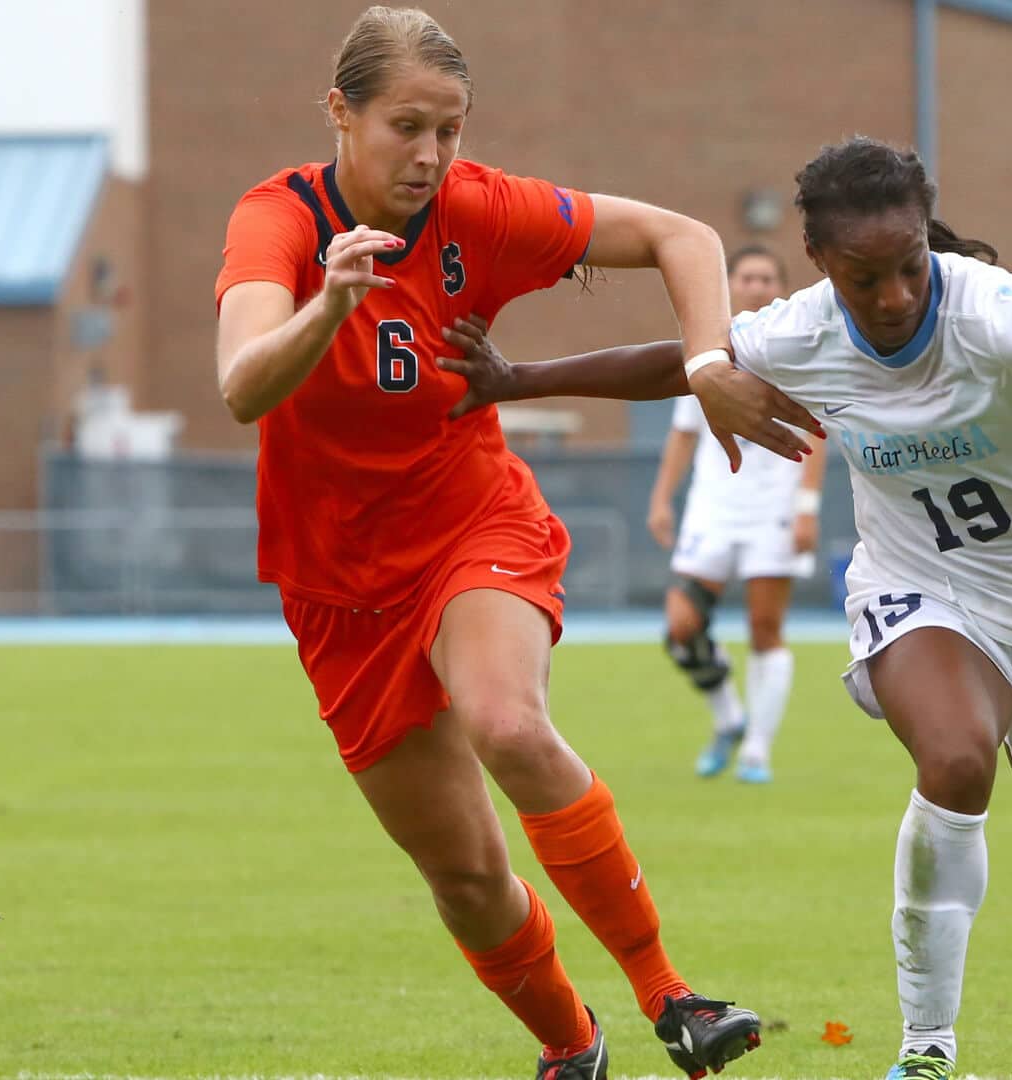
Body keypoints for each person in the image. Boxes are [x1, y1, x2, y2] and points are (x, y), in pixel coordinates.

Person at [437, 136, 1012, 1080]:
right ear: (821, 262)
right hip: (927, 594)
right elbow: (676, 362)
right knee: (953, 759)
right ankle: (927, 1053)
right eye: (866, 279)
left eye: (908, 268)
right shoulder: (801, 329)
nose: (895, 297)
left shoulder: (1005, 314)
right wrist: (518, 379)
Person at [211, 8, 816, 1079]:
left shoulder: (480, 207)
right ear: (340, 114)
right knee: (465, 875)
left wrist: (712, 358)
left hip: (469, 522)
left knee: (509, 723)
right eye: (408, 126)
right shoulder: (279, 220)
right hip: (336, 586)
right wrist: (329, 302)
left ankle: (671, 994)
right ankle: (571, 1046)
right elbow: (241, 386)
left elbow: (686, 236)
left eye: (451, 128)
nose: (433, 154)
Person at [647, 245, 826, 784]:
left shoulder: (798, 354)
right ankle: (728, 717)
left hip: (772, 509)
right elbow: (683, 432)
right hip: (713, 508)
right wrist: (661, 498)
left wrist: (806, 510)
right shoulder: (708, 349)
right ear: (729, 284)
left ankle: (757, 750)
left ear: (781, 287)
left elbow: (817, 438)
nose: (755, 284)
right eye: (746, 276)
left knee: (764, 629)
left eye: (766, 276)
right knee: (681, 626)